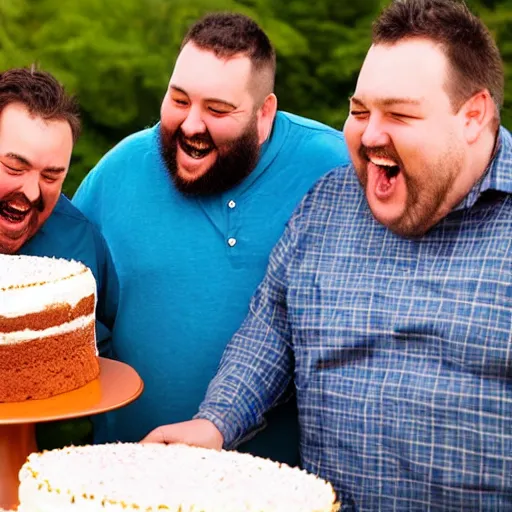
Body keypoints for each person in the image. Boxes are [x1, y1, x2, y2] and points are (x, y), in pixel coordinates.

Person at [141, 0, 512, 510]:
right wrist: (214, 423)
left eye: (399, 114)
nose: (369, 135)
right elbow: (272, 329)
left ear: (472, 117)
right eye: (360, 112)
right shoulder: (328, 203)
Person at [72, 12, 350, 465]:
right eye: (179, 100)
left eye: (217, 110)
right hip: (126, 475)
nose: (191, 126)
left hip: (279, 486)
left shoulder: (334, 169)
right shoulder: (119, 169)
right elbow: (58, 293)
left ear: (264, 114)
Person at [0, 67, 118, 447]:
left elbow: (98, 347)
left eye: (51, 176)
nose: (32, 191)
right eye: (14, 167)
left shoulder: (79, 243)